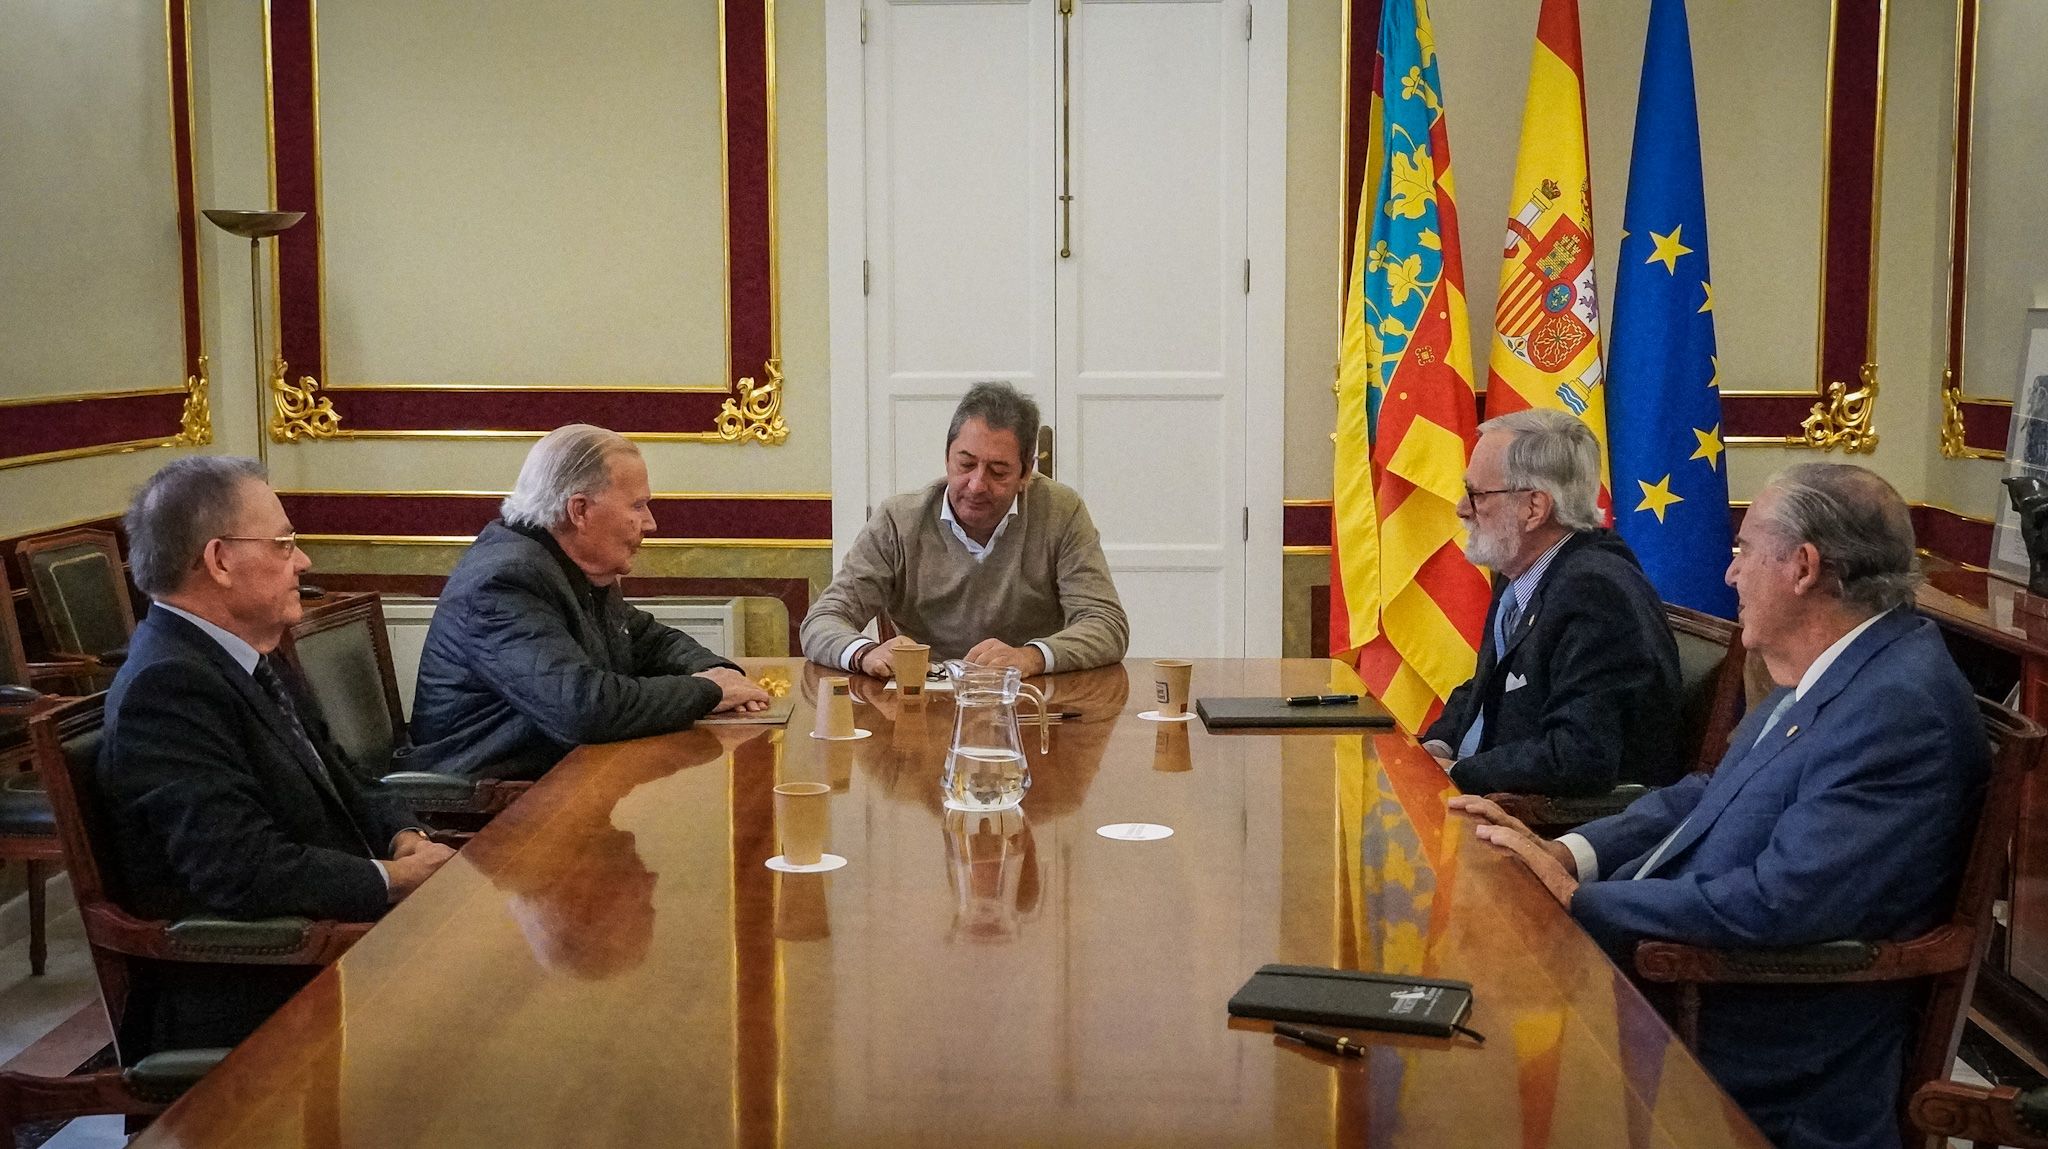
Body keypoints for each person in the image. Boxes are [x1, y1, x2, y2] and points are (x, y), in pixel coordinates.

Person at [1453, 463, 1990, 1149]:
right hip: (1685, 990)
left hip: (1752, 1050)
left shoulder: (1898, 709)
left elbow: (1781, 901)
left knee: (1470, 1070)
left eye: (1744, 551)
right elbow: (1711, 792)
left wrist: (1582, 902)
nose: (1730, 574)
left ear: (1803, 568)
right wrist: (1569, 852)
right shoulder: (1846, 666)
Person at [98, 456, 455, 1057]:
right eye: (284, 544)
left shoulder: (246, 655)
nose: (304, 561)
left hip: (330, 941)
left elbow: (346, 777)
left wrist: (404, 837)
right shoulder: (169, 687)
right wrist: (393, 881)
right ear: (220, 560)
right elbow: (242, 869)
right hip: (256, 985)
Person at [408, 424, 770, 781]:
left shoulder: (574, 565)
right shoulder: (504, 582)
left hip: (560, 778)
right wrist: (709, 691)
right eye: (638, 506)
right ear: (579, 510)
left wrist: (717, 671)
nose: (651, 523)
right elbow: (582, 710)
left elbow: (649, 641)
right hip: (488, 797)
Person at [1420, 408, 1684, 796]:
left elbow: (1578, 755)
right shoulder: (1524, 569)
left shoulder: (1596, 594)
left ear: (1534, 509)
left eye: (1477, 495)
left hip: (1544, 820)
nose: (1462, 508)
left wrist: (1458, 773)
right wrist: (1435, 747)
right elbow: (1487, 686)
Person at [801, 381, 1128, 678]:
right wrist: (865, 652)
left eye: (998, 471)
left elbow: (1106, 624)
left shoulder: (1061, 512)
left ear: (1025, 473)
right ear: (947, 458)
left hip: (1030, 698)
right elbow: (822, 620)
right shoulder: (899, 521)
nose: (976, 484)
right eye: (966, 464)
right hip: (925, 699)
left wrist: (1031, 657)